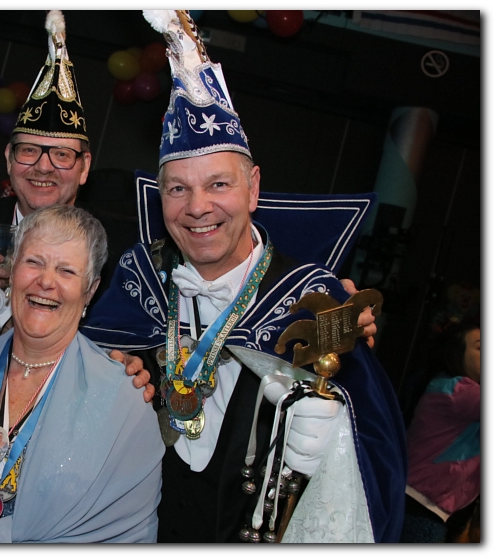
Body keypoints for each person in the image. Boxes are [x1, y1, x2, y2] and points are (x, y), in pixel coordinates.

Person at [82, 11, 406, 543]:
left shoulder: (314, 300)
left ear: (253, 189)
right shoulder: (140, 278)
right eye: (178, 189)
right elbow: (79, 373)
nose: (197, 207)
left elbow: (370, 443)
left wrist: (331, 436)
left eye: (218, 185)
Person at [0, 205, 163, 543]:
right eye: (34, 262)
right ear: (13, 270)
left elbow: (125, 533)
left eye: (66, 271)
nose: (46, 281)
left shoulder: (123, 401)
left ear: (90, 290)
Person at [0, 11, 134, 302]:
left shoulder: (118, 255)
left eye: (62, 155)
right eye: (29, 150)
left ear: (84, 167)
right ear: (9, 158)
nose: (42, 166)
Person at [400, 319, 480, 543]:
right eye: (480, 347)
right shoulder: (458, 390)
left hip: (426, 504)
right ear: (457, 353)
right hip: (419, 503)